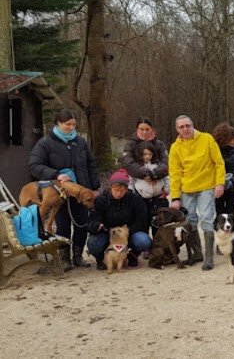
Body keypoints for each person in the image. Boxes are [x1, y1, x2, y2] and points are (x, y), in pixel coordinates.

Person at [28, 108, 101, 271]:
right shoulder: (45, 143)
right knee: (63, 225)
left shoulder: (80, 142)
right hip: (58, 191)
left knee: (82, 223)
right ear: (59, 123)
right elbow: (34, 165)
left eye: (73, 124)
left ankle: (77, 255)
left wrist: (95, 186)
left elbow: (91, 164)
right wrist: (56, 174)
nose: (71, 127)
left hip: (81, 190)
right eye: (67, 124)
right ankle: (64, 258)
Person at [168, 115, 226, 270]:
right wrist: (175, 197)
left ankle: (209, 258)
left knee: (207, 218)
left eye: (188, 125)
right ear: (177, 129)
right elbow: (175, 173)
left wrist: (219, 183)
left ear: (193, 125)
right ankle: (197, 252)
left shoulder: (206, 139)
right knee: (190, 221)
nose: (185, 129)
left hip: (206, 186)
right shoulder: (175, 147)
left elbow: (219, 162)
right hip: (187, 189)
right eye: (181, 127)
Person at [86, 170, 151, 270]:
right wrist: (98, 226)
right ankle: (100, 259)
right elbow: (92, 221)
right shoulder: (101, 200)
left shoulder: (135, 200)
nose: (118, 194)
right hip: (106, 233)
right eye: (116, 190)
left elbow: (142, 222)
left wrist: (126, 233)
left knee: (143, 240)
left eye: (122, 191)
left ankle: (132, 256)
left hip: (128, 233)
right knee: (93, 243)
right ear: (110, 188)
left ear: (127, 189)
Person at [212, 122, 234, 216]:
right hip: (218, 183)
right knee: (219, 209)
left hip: (233, 184)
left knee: (230, 210)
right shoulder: (215, 149)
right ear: (227, 139)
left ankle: (232, 229)